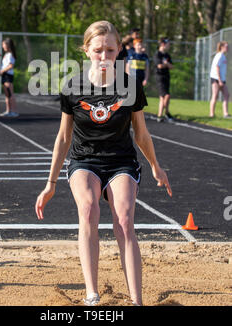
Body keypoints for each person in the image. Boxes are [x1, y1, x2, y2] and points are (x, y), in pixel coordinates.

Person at [35, 20, 172, 307]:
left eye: (110, 50)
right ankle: (92, 295)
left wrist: (157, 167)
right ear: (86, 50)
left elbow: (141, 133)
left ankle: (136, 301)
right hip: (84, 160)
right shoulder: (73, 86)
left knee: (123, 221)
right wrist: (50, 184)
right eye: (98, 50)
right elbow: (63, 137)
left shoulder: (129, 86)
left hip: (121, 161)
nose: (104, 56)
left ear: (119, 50)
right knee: (88, 209)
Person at [153, 38, 173, 123]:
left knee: (162, 97)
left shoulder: (167, 55)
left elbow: (171, 66)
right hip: (160, 76)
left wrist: (166, 64)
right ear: (163, 44)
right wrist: (166, 65)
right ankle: (166, 112)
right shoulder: (157, 54)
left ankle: (160, 115)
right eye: (168, 44)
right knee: (167, 95)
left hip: (166, 76)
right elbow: (159, 66)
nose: (169, 46)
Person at [209, 41, 230, 118]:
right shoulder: (219, 55)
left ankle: (226, 113)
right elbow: (217, 67)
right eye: (226, 46)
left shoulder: (223, 56)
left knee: (227, 95)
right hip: (216, 78)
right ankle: (211, 114)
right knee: (215, 95)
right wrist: (220, 80)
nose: (227, 48)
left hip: (222, 79)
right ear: (222, 47)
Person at [0, 38, 19, 117]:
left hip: (8, 75)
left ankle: (14, 111)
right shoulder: (6, 54)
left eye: (3, 44)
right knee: (7, 94)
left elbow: (10, 66)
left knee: (10, 93)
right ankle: (8, 110)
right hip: (5, 75)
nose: (2, 46)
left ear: (7, 45)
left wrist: (2, 71)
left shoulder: (10, 54)